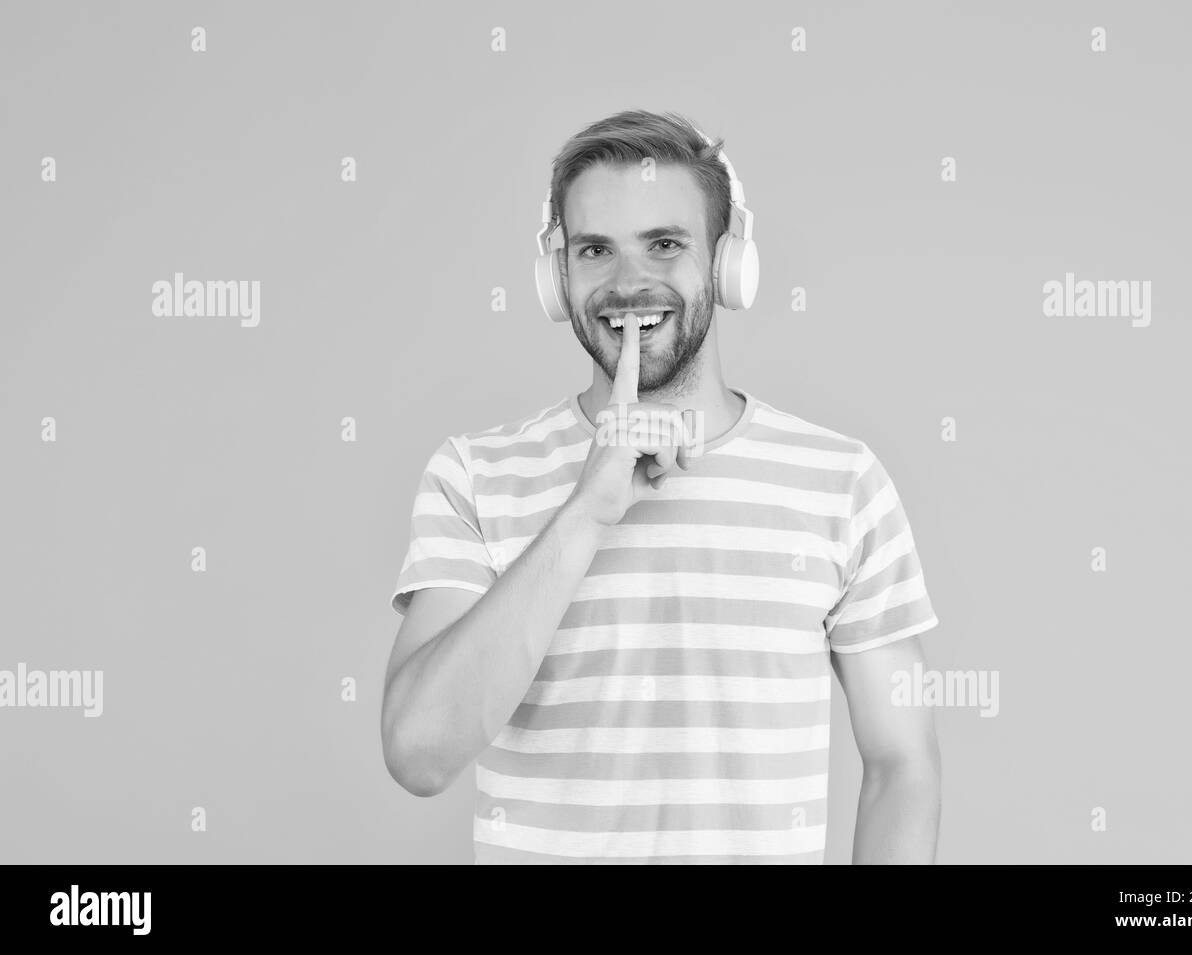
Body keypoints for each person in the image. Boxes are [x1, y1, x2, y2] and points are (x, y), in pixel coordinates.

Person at [381, 109, 943, 864]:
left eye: (665, 244)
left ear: (727, 263)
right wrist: (583, 514)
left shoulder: (843, 483)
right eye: (595, 250)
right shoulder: (475, 475)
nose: (629, 283)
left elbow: (902, 766)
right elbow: (419, 751)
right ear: (557, 277)